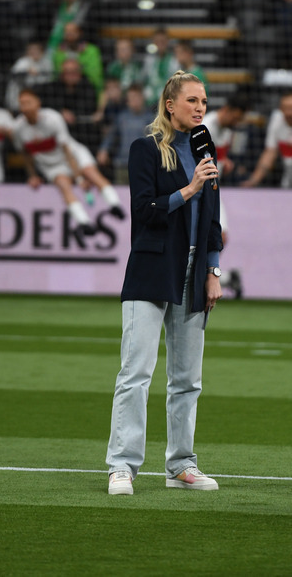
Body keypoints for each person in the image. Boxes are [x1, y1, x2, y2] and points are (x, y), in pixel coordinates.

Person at [106, 71, 223, 496]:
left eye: (204, 102)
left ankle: (181, 466)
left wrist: (213, 271)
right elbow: (144, 212)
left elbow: (213, 221)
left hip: (194, 276)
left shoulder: (206, 150)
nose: (200, 108)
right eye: (192, 100)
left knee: (188, 378)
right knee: (136, 373)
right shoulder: (145, 149)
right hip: (152, 271)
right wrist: (190, 189)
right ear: (169, 105)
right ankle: (122, 465)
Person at [9, 88, 124, 235]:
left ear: (38, 103)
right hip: (52, 166)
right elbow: (26, 155)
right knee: (64, 186)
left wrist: (79, 178)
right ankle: (84, 223)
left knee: (92, 174)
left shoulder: (53, 118)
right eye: (21, 104)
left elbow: (67, 151)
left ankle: (115, 205)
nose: (24, 107)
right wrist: (32, 175)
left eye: (28, 102)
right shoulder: (18, 128)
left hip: (74, 155)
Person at [40, 57, 101, 153]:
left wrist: (73, 115)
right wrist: (60, 112)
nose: (71, 75)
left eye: (74, 72)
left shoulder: (88, 87)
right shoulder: (53, 87)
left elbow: (87, 108)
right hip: (58, 135)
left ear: (80, 73)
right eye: (67, 72)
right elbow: (44, 103)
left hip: (82, 133)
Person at [97, 84, 149, 185]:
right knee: (122, 193)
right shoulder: (122, 117)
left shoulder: (150, 118)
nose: (135, 101)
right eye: (132, 98)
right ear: (127, 101)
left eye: (137, 97)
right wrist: (104, 149)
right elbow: (110, 136)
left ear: (142, 98)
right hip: (122, 163)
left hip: (143, 165)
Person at [203, 96, 249, 186]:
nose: (236, 123)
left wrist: (224, 161)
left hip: (214, 184)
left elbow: (217, 155)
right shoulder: (205, 127)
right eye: (235, 118)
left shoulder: (228, 129)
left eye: (239, 120)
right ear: (226, 109)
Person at [141, 28, 178, 108]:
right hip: (149, 100)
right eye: (157, 41)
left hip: (166, 101)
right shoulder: (148, 60)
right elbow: (143, 79)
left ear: (167, 42)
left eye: (163, 41)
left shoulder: (173, 61)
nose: (160, 44)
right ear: (153, 42)